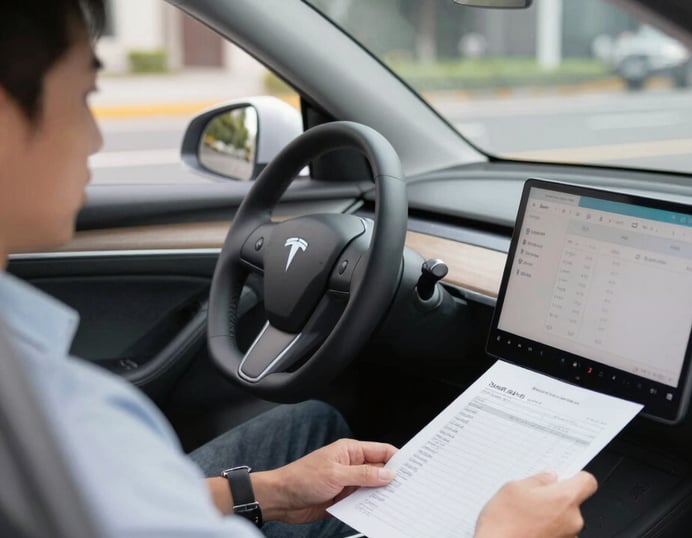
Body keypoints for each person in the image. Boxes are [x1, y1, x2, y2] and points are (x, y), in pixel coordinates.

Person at [0, 1, 598, 536]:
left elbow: (115, 498)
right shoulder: (55, 415)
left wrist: (274, 492)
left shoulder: (39, 395)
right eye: (82, 99)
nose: (95, 138)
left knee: (309, 426)